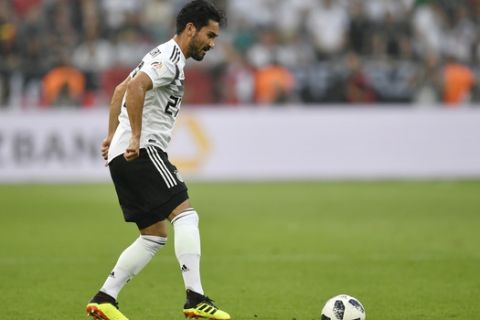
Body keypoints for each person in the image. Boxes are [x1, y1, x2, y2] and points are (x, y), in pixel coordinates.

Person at [85, 1, 230, 320]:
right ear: (190, 28)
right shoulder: (170, 58)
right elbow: (135, 88)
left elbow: (119, 90)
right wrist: (134, 136)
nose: (212, 43)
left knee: (153, 236)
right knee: (186, 215)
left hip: (123, 157)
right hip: (143, 150)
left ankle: (105, 297)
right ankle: (195, 298)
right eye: (209, 34)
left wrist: (112, 137)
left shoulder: (157, 54)